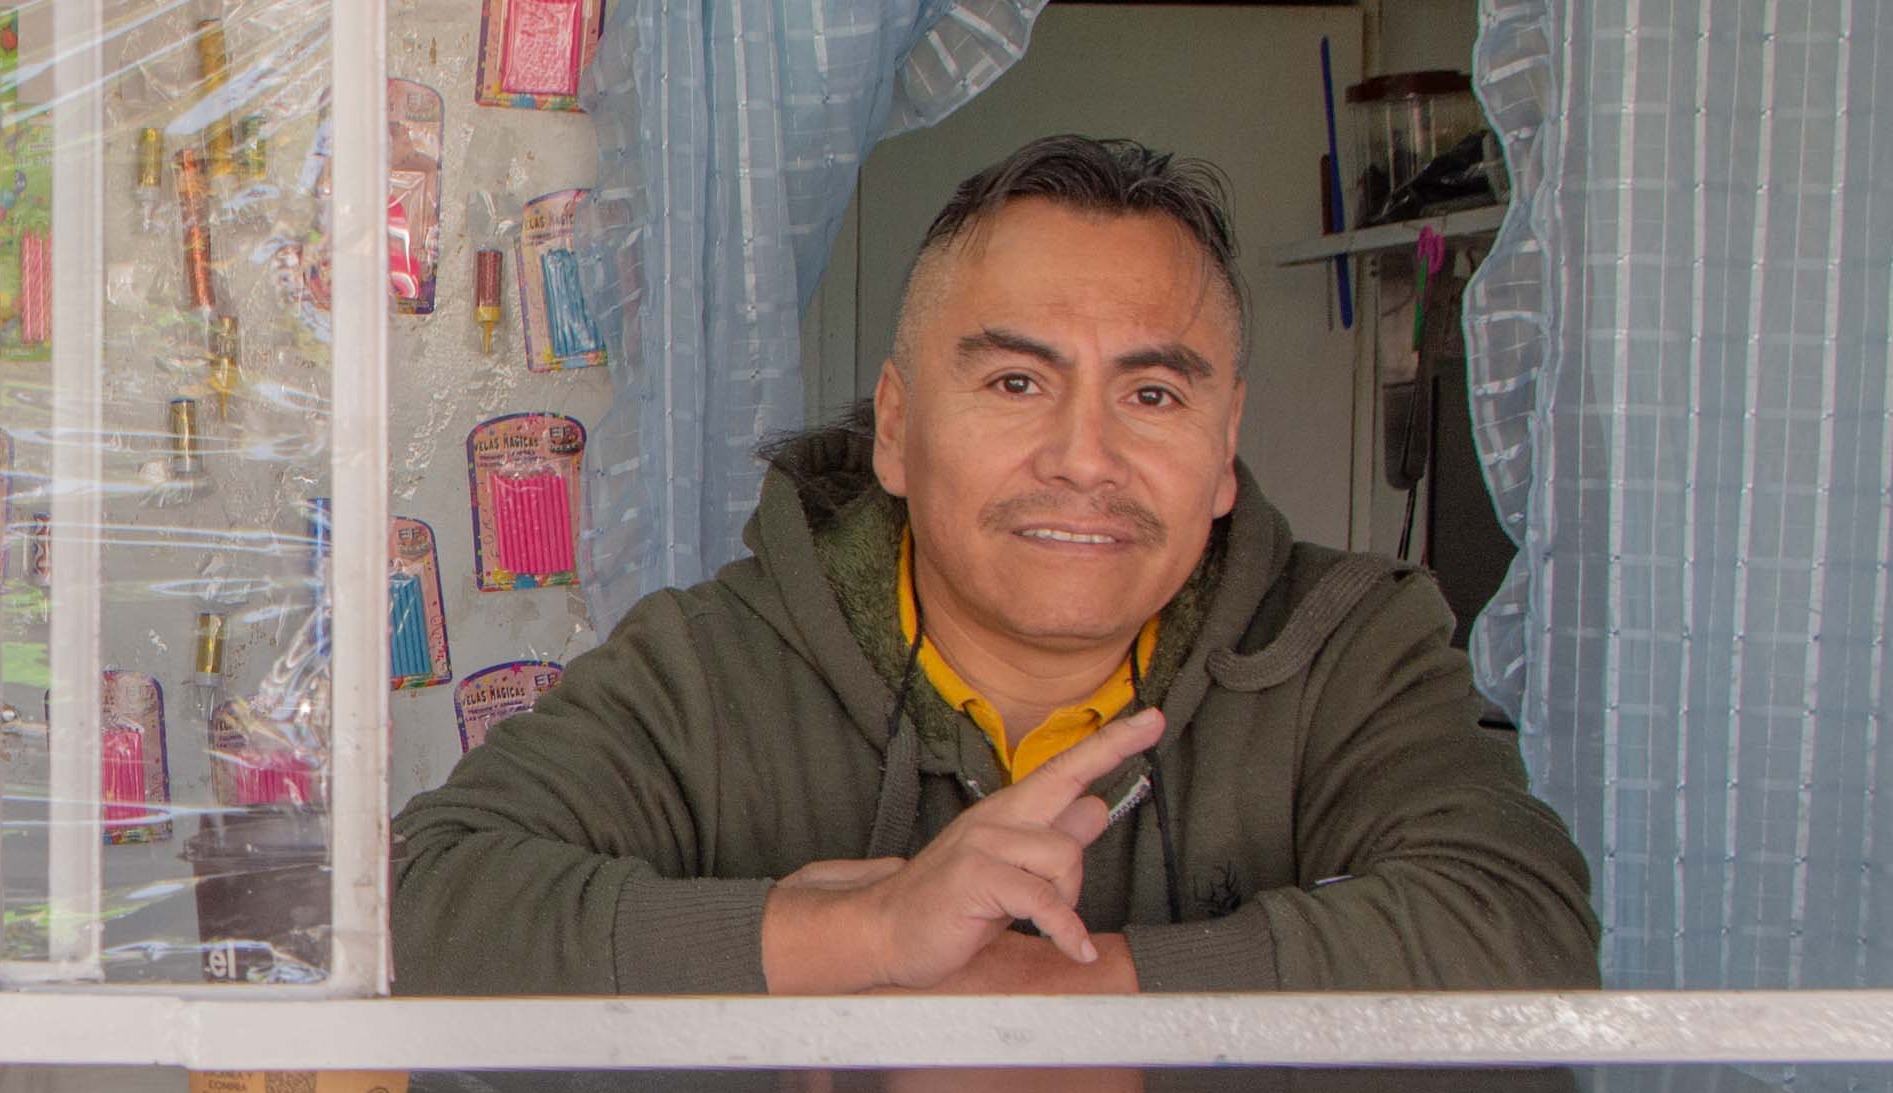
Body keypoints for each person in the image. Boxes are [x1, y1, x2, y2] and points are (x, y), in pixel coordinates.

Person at [391, 135, 1600, 996]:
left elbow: (1521, 924)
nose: (1085, 458)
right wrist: (865, 932)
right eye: (1016, 382)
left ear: (1224, 452)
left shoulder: (1347, 645)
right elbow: (424, 902)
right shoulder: (711, 666)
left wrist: (1072, 994)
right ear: (898, 430)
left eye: (1153, 391)